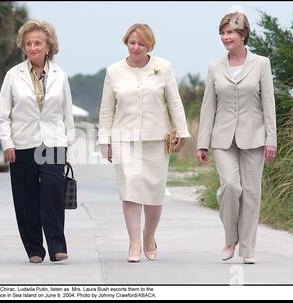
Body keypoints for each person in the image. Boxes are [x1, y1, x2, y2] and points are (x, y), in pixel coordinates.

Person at [98, 23, 190, 262]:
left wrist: (182, 131)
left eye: (141, 44)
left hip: (157, 139)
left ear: (150, 45)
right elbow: (107, 109)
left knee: (153, 193)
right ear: (126, 43)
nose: (136, 47)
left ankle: (149, 236)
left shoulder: (163, 68)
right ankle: (134, 243)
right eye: (132, 42)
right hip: (124, 138)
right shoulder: (114, 71)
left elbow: (175, 102)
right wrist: (104, 140)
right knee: (130, 191)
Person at [196, 12, 277, 264]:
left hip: (254, 136)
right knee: (230, 186)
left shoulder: (261, 64)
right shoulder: (214, 66)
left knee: (252, 193)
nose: (225, 37)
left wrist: (271, 139)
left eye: (230, 32)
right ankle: (230, 237)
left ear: (243, 35)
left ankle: (247, 249)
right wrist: (202, 142)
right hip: (222, 138)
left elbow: (268, 104)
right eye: (222, 32)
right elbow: (208, 106)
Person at [0, 20, 75, 264]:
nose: (33, 48)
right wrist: (7, 143)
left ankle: (57, 246)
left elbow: (67, 115)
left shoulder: (60, 75)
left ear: (48, 46)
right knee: (25, 196)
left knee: (52, 192)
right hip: (21, 143)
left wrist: (67, 148)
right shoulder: (13, 75)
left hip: (53, 143)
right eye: (28, 44)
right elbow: (2, 115)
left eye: (38, 43)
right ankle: (34, 249)